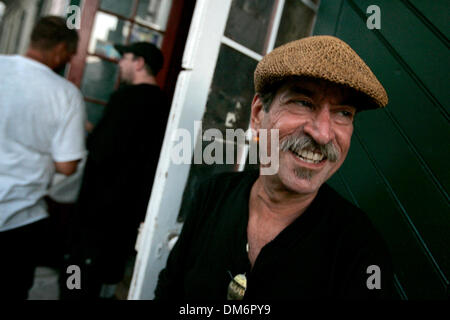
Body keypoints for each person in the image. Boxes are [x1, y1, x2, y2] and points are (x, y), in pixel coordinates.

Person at [155, 35, 395, 300]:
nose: (323, 134)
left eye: (343, 113)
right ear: (258, 114)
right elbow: (169, 289)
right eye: (303, 103)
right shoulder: (213, 195)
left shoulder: (360, 249)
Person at [62, 42, 169, 299]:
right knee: (106, 278)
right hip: (130, 212)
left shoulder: (125, 98)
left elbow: (102, 150)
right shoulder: (165, 104)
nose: (119, 63)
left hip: (99, 208)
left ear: (139, 63)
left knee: (76, 279)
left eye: (125, 58)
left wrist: (87, 131)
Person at [0, 16, 86, 300]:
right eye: (70, 56)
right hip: (20, 218)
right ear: (60, 49)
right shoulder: (66, 94)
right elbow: (67, 165)